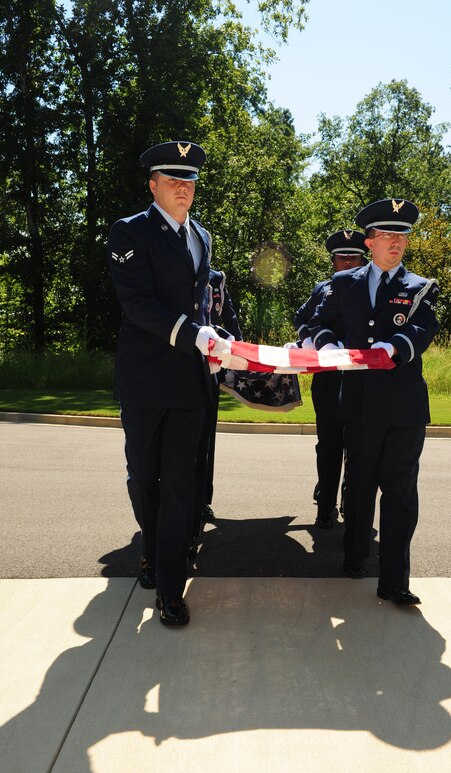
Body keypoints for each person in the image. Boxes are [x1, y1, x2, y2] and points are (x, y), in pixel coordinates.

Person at [107, 140, 227, 627]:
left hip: (189, 385)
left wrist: (214, 340)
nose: (184, 187)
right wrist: (194, 333)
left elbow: (201, 305)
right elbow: (136, 304)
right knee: (144, 478)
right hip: (144, 381)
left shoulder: (202, 236)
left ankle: (171, 591)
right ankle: (154, 551)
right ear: (152, 185)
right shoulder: (129, 232)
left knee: (181, 486)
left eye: (190, 179)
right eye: (173, 179)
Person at [309, 199, 439, 605]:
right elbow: (315, 322)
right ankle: (355, 556)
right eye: (387, 235)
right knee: (361, 486)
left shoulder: (420, 288)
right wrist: (328, 346)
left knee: (401, 492)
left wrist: (394, 347)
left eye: (401, 235)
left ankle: (395, 579)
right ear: (370, 241)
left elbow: (423, 329)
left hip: (404, 407)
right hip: (361, 405)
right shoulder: (344, 284)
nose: (396, 242)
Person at [294, 229, 368, 529]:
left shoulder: (374, 289)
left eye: (354, 257)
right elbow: (303, 318)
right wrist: (309, 342)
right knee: (328, 444)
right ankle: (325, 504)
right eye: (342, 258)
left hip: (363, 379)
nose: (348, 263)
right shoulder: (324, 289)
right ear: (334, 261)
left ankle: (351, 504)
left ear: (364, 259)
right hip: (328, 378)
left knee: (358, 444)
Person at [190, 268, 243, 558]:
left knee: (206, 443)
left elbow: (228, 319)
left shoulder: (216, 278)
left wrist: (242, 353)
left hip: (209, 373)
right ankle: (188, 511)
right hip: (179, 370)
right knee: (187, 447)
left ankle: (202, 501)